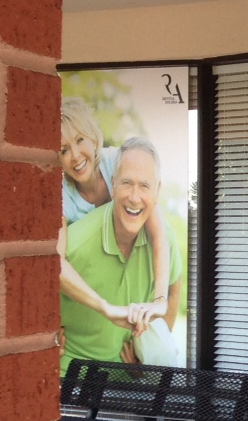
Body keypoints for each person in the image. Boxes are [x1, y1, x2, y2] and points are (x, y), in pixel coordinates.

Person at [60, 137, 186, 372]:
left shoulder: (164, 238)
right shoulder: (75, 243)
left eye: (144, 186)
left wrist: (148, 357)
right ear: (113, 184)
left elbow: (174, 286)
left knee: (164, 354)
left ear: (157, 191)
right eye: (127, 183)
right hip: (76, 377)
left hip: (132, 380)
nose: (135, 197)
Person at [58, 98, 175, 346]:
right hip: (92, 294)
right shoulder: (62, 196)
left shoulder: (117, 162)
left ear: (93, 138)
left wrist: (160, 300)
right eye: (64, 150)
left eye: (79, 140)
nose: (75, 156)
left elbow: (158, 232)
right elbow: (56, 264)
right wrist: (105, 308)